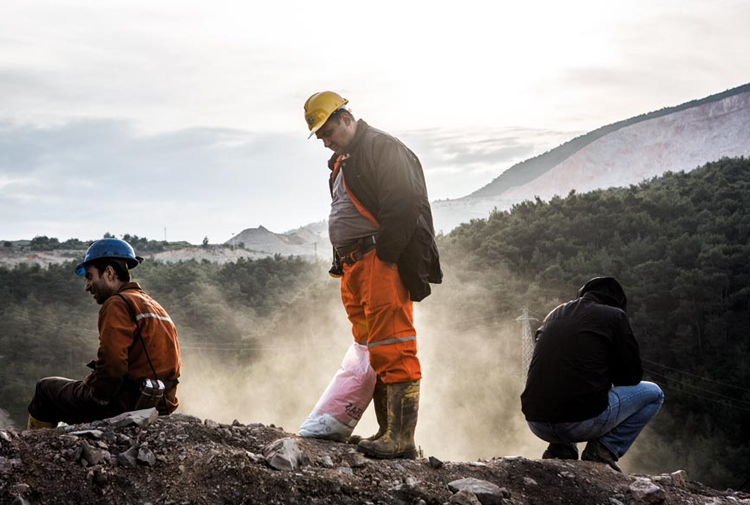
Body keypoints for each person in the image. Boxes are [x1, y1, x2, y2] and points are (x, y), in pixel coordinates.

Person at [303, 91, 442, 459]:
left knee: (393, 344)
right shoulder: (343, 160)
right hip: (354, 266)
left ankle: (402, 439)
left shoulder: (382, 147)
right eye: (321, 137)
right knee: (373, 349)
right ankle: (386, 430)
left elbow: (404, 203)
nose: (326, 141)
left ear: (347, 119)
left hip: (377, 262)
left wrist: (386, 257)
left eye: (329, 132)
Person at [27, 238, 181, 429]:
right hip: (159, 404)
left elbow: (113, 363)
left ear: (109, 272)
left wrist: (98, 398)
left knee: (45, 389)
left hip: (124, 404)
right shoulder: (155, 307)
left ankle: (32, 443)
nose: (87, 286)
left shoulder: (117, 303)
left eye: (90, 277)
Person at [520, 277, 663, 471]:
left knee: (565, 377)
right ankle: (604, 449)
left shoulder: (555, 314)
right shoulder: (615, 316)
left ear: (583, 294)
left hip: (536, 422)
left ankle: (562, 448)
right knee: (654, 394)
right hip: (579, 423)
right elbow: (630, 378)